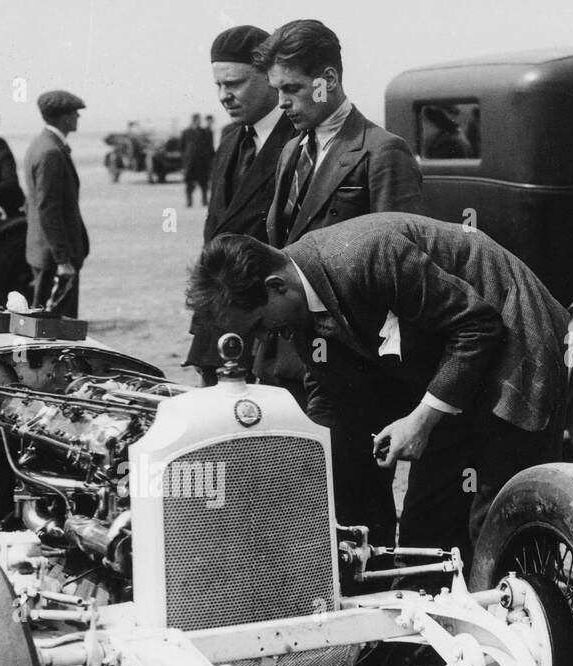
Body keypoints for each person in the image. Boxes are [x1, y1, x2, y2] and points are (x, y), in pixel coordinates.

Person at [186, 216, 568, 569]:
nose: (263, 338)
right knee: (426, 528)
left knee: (499, 521)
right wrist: (315, 455)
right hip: (454, 366)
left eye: (259, 325)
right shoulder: (297, 301)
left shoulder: (367, 255)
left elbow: (477, 327)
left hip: (515, 342)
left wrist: (420, 420)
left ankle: (535, 625)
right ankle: (429, 637)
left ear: (276, 287)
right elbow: (330, 390)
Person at [256, 19, 425, 546]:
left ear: (328, 78)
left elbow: (400, 268)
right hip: (290, 360)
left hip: (355, 369)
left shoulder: (382, 152)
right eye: (277, 90)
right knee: (299, 497)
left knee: (357, 497)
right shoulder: (291, 152)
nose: (281, 102)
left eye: (291, 89)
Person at [185, 24, 296, 387]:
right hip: (216, 323)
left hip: (267, 326)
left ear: (270, 77)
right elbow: (214, 228)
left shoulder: (299, 140)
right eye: (218, 85)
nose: (223, 95)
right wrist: (203, 314)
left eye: (234, 84)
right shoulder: (230, 137)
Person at [23, 89, 88, 317]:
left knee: (46, 325)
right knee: (55, 330)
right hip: (55, 260)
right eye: (74, 113)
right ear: (63, 117)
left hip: (45, 253)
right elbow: (48, 210)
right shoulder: (51, 152)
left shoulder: (40, 145)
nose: (77, 117)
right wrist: (63, 260)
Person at [181, 112, 213, 207]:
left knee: (203, 183)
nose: (199, 122)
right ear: (193, 120)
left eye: (200, 120)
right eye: (198, 120)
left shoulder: (205, 132)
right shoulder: (186, 132)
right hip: (190, 162)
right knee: (189, 183)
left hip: (202, 162)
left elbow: (209, 146)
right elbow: (182, 147)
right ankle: (189, 201)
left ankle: (204, 200)